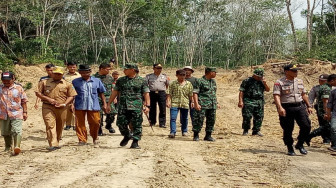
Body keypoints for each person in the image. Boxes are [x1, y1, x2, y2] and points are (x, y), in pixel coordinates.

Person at [107, 63, 150, 149]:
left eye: (126, 69)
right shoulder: (121, 80)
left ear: (132, 70)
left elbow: (146, 93)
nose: (124, 71)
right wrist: (109, 103)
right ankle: (127, 135)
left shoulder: (142, 81)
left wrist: (147, 106)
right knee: (120, 123)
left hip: (136, 106)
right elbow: (115, 92)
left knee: (137, 124)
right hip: (123, 106)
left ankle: (135, 142)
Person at [273, 64, 312, 156]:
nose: (296, 72)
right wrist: (280, 108)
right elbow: (276, 95)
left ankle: (300, 144)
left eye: (296, 70)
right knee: (288, 128)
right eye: (293, 71)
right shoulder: (279, 82)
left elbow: (303, 94)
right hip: (287, 107)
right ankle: (290, 147)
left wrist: (308, 105)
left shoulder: (299, 81)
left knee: (306, 125)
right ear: (286, 71)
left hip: (299, 106)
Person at [35, 67, 77, 150]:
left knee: (60, 125)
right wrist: (48, 99)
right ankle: (53, 143)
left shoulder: (67, 84)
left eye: (59, 74)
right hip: (48, 106)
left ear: (62, 74)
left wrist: (65, 104)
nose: (57, 75)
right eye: (55, 73)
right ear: (52, 73)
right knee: (50, 124)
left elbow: (72, 96)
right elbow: (37, 93)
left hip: (62, 108)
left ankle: (56, 141)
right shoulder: (44, 82)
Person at [72, 64, 107, 146]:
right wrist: (71, 104)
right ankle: (82, 140)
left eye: (87, 72)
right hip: (79, 105)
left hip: (93, 105)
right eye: (83, 72)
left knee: (95, 122)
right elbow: (72, 94)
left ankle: (95, 137)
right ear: (80, 72)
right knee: (79, 123)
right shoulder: (75, 82)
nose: (85, 74)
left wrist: (105, 104)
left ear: (90, 72)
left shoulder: (97, 81)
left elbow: (101, 93)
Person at [0, 72, 28, 155]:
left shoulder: (19, 88)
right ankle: (8, 147)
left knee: (16, 130)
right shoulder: (0, 88)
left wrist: (25, 112)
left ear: (13, 79)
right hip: (3, 113)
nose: (6, 82)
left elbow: (24, 101)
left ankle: (17, 146)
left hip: (16, 112)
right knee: (5, 132)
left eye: (8, 80)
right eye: (4, 80)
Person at [238, 68, 270, 136]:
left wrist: (265, 83)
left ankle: (256, 130)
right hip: (248, 100)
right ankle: (245, 130)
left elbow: (268, 90)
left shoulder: (262, 81)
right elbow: (241, 91)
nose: (260, 77)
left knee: (259, 116)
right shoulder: (247, 81)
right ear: (255, 75)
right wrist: (240, 101)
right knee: (247, 116)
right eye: (259, 76)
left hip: (259, 101)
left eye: (261, 76)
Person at [307, 74, 336, 147]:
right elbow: (325, 101)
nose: (320, 82)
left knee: (327, 126)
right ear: (332, 81)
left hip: (325, 109)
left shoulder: (327, 87)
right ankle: (310, 136)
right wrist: (327, 113)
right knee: (327, 126)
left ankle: (310, 136)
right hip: (324, 110)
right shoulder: (326, 88)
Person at [192, 67, 219, 142]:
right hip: (202, 104)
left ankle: (208, 135)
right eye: (215, 72)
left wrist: (216, 102)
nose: (216, 74)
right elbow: (195, 93)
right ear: (210, 72)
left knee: (211, 120)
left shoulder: (213, 82)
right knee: (199, 119)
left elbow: (213, 93)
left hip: (212, 104)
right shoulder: (199, 81)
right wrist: (196, 104)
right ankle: (196, 135)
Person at [166, 69, 193, 138]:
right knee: (173, 118)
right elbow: (169, 93)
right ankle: (173, 132)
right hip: (175, 103)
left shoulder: (189, 84)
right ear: (177, 75)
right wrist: (168, 101)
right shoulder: (172, 83)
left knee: (184, 118)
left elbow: (190, 94)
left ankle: (184, 131)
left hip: (185, 103)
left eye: (184, 75)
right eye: (180, 75)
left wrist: (192, 102)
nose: (182, 76)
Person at [93, 63, 116, 135]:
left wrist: (114, 97)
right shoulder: (93, 78)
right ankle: (99, 128)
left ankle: (108, 125)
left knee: (112, 113)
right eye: (107, 69)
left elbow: (112, 88)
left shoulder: (110, 78)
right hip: (97, 98)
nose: (109, 71)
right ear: (101, 69)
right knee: (98, 114)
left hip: (108, 98)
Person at [145, 63, 169, 128]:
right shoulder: (149, 76)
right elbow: (145, 85)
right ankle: (152, 122)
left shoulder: (164, 76)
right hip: (152, 93)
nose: (159, 69)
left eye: (160, 68)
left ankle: (162, 123)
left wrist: (163, 91)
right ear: (153, 69)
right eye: (157, 68)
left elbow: (167, 85)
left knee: (162, 108)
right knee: (152, 108)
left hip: (161, 93)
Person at [64, 62, 81, 130]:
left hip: (77, 93)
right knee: (67, 109)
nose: (72, 68)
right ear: (68, 67)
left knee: (75, 109)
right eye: (70, 67)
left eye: (74, 67)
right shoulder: (64, 75)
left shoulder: (79, 75)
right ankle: (68, 124)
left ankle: (75, 124)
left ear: (76, 67)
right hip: (67, 94)